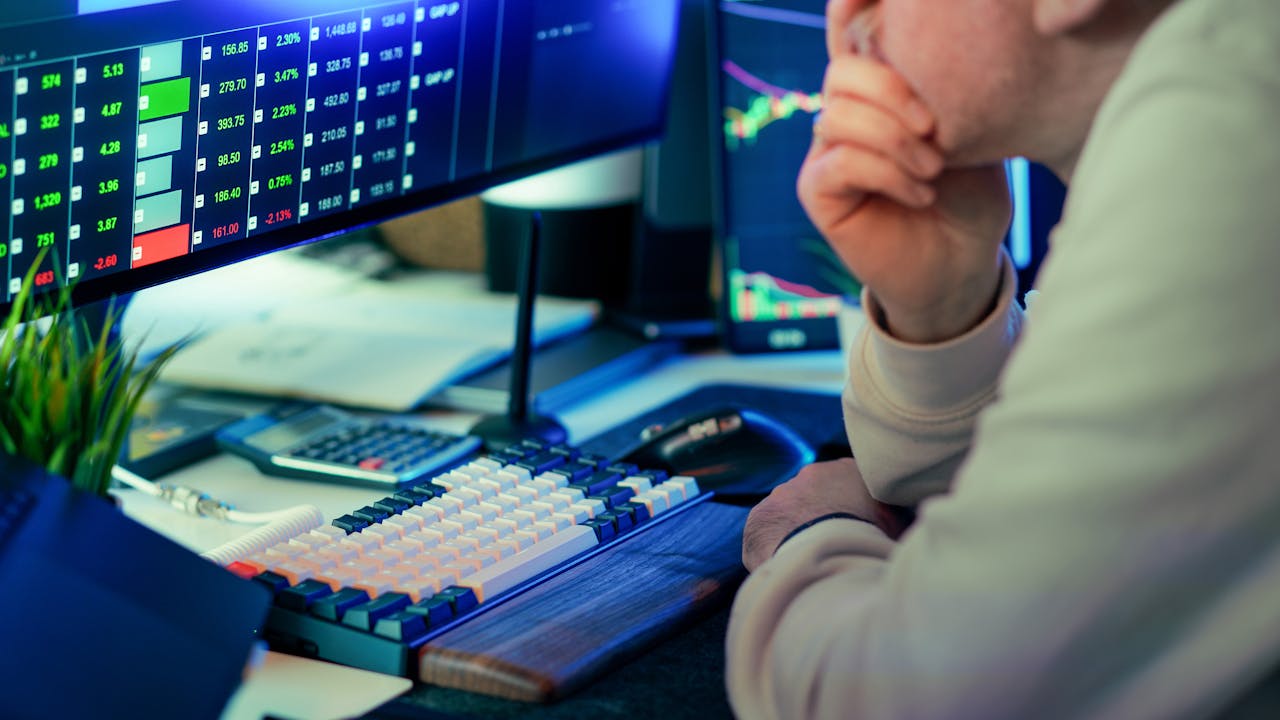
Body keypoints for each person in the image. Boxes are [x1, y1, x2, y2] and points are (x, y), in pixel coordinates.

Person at [726, 0, 1280, 717]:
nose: (845, 15)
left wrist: (809, 535)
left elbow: (901, 698)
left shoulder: (1231, 129)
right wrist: (941, 309)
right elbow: (983, 476)